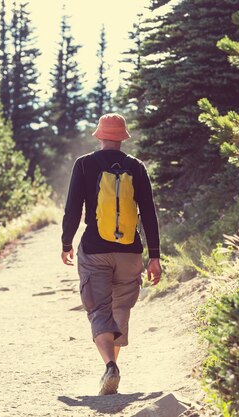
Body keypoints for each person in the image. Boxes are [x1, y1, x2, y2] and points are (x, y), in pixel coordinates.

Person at [61, 113, 162, 395]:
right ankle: (112, 370)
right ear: (123, 137)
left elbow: (73, 209)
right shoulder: (136, 167)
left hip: (95, 250)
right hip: (130, 252)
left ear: (100, 135)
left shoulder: (84, 164)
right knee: (121, 310)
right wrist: (154, 256)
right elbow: (149, 214)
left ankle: (109, 367)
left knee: (99, 309)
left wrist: (66, 242)